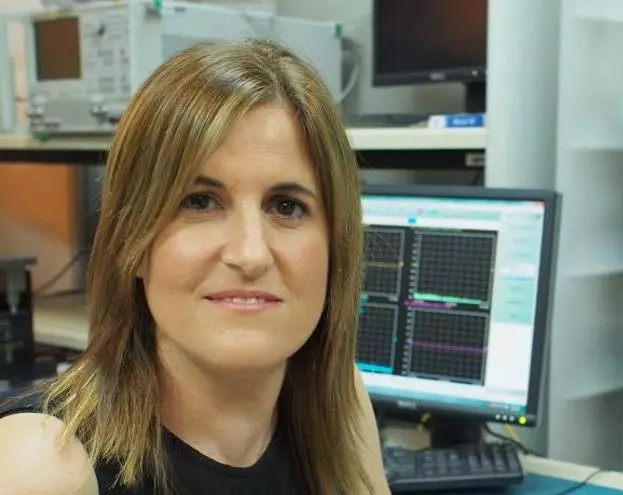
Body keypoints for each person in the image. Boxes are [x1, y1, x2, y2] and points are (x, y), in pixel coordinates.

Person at [0, 39, 389, 494]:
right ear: (133, 242)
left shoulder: (337, 406)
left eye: (287, 206)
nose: (250, 254)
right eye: (200, 202)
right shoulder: (41, 465)